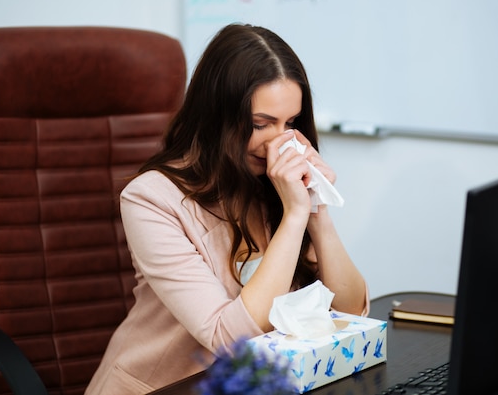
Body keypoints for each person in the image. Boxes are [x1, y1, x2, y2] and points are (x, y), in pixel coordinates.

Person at [85, 23, 368, 395]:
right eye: (260, 124)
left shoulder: (274, 187)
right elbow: (229, 340)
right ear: (215, 117)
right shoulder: (150, 199)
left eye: (291, 123)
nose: (278, 143)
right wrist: (294, 217)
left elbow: (349, 314)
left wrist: (316, 210)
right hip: (166, 387)